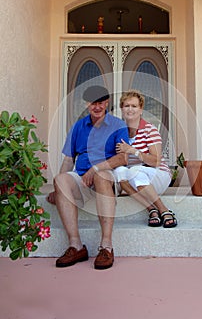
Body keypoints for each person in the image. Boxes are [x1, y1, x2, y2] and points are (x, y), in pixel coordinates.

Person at [47, 85, 129, 270]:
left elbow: (122, 157)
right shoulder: (79, 126)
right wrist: (59, 190)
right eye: (93, 103)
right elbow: (69, 160)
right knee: (60, 180)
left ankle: (106, 246)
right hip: (82, 178)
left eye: (101, 102)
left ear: (106, 103)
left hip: (107, 176)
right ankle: (76, 246)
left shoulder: (118, 125)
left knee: (100, 176)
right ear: (87, 104)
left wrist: (96, 168)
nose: (97, 107)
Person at [114, 89, 177, 228]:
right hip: (136, 180)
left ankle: (164, 209)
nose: (130, 109)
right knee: (118, 171)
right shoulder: (120, 132)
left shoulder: (149, 129)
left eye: (134, 106)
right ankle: (151, 209)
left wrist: (132, 151)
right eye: (126, 106)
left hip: (158, 176)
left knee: (135, 170)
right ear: (122, 109)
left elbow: (156, 161)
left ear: (141, 109)